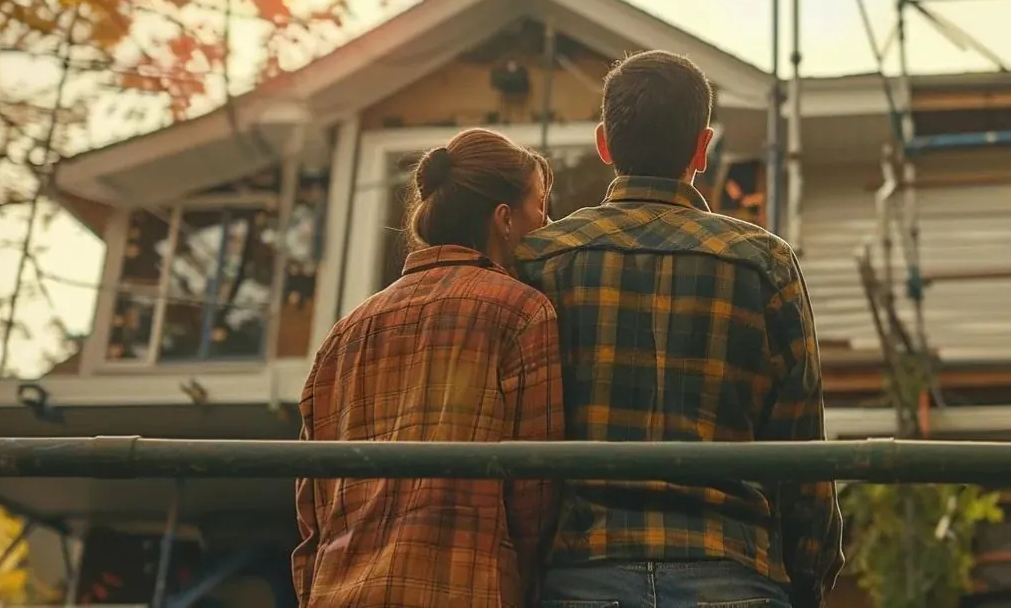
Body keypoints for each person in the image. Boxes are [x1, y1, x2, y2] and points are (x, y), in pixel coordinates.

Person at [516, 50, 844, 608]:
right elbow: (801, 449)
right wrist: (807, 575)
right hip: (734, 570)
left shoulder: (537, 261)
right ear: (703, 146)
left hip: (580, 574)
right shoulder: (764, 261)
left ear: (604, 143)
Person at [293, 129, 563, 608]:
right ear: (503, 219)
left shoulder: (343, 333)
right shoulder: (522, 312)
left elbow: (311, 507)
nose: (548, 222)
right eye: (540, 206)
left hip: (339, 591)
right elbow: (534, 494)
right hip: (466, 586)